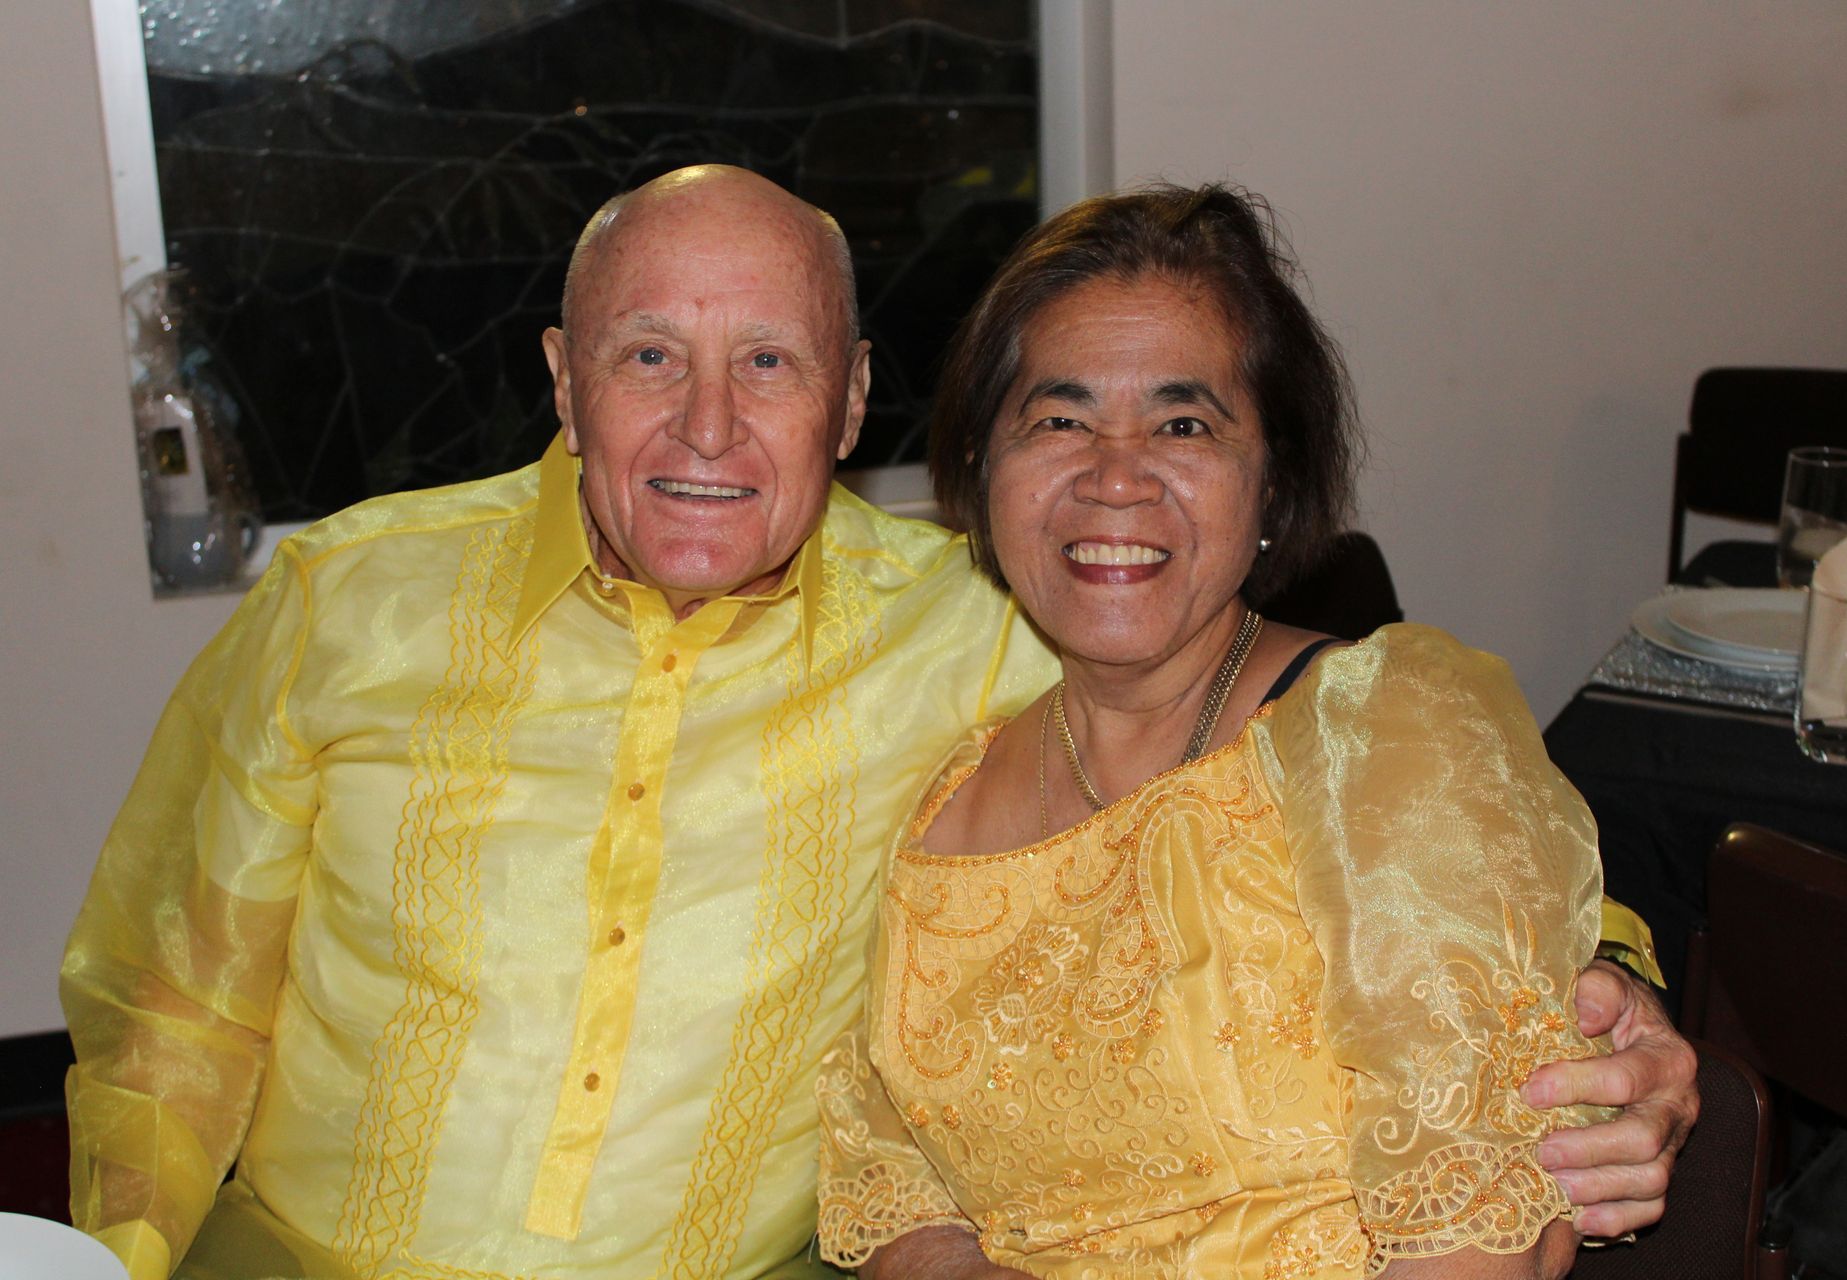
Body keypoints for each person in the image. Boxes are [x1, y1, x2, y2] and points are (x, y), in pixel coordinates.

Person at [61, 167, 1692, 1280]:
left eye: (768, 362)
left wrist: (1608, 982)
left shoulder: (988, 627)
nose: (708, 426)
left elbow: (1367, 792)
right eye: (649, 358)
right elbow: (170, 1003)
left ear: (851, 406)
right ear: (562, 381)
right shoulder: (344, 603)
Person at [815, 184, 1669, 1278]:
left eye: (1185, 423)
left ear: (1272, 483)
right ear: (982, 475)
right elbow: (890, 1185)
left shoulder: (1383, 729)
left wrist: (1618, 974)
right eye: (1060, 418)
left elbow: (1487, 1228)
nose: (1115, 474)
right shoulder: (945, 808)